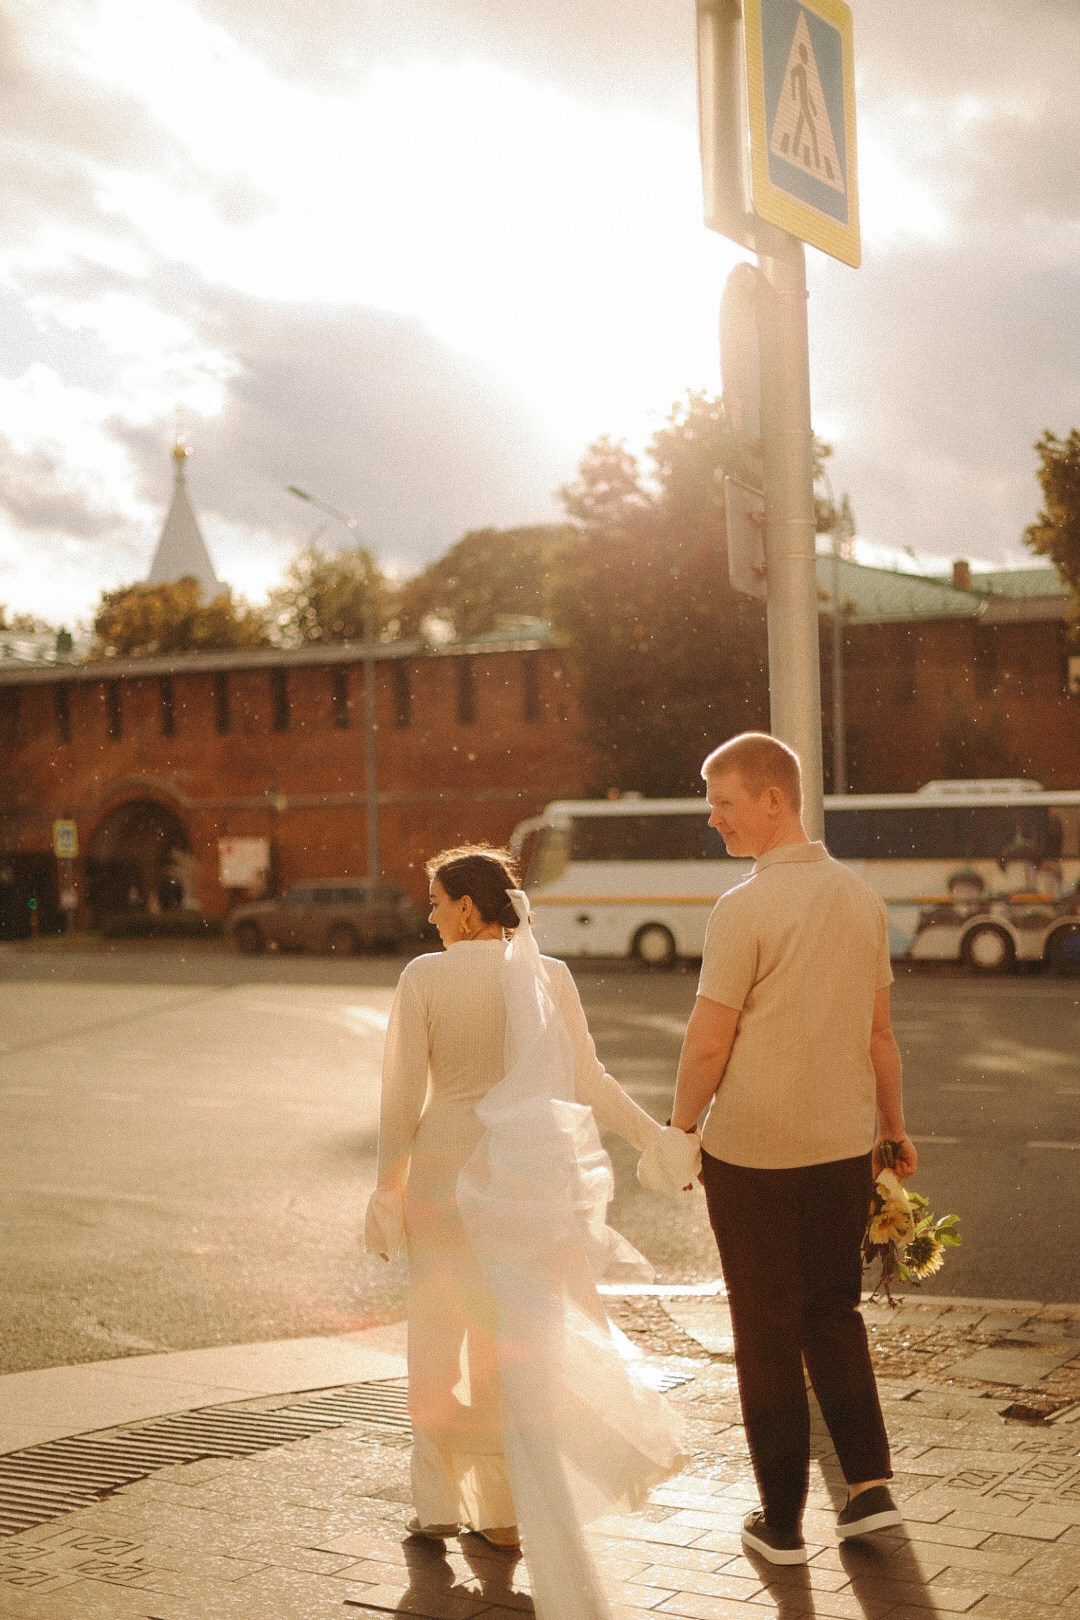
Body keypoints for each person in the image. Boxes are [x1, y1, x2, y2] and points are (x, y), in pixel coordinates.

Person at [364, 844, 696, 1619]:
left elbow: (399, 1096)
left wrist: (387, 1189)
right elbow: (589, 1079)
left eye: (438, 903)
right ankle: (508, 1510)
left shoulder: (424, 977)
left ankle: (438, 1505)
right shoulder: (551, 974)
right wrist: (656, 1138)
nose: (431, 915)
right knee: (509, 1340)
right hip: (521, 1179)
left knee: (438, 1334)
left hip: (447, 1172)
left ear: (471, 910)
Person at [668, 734, 917, 1566]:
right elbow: (881, 1036)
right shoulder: (862, 899)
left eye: (724, 800)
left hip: (754, 1154)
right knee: (832, 1312)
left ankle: (781, 1522)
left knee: (766, 1329)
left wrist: (678, 1131)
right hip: (843, 1146)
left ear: (774, 798)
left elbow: (709, 1043)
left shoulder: (743, 907)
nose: (714, 818)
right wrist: (893, 1129)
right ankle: (869, 1490)